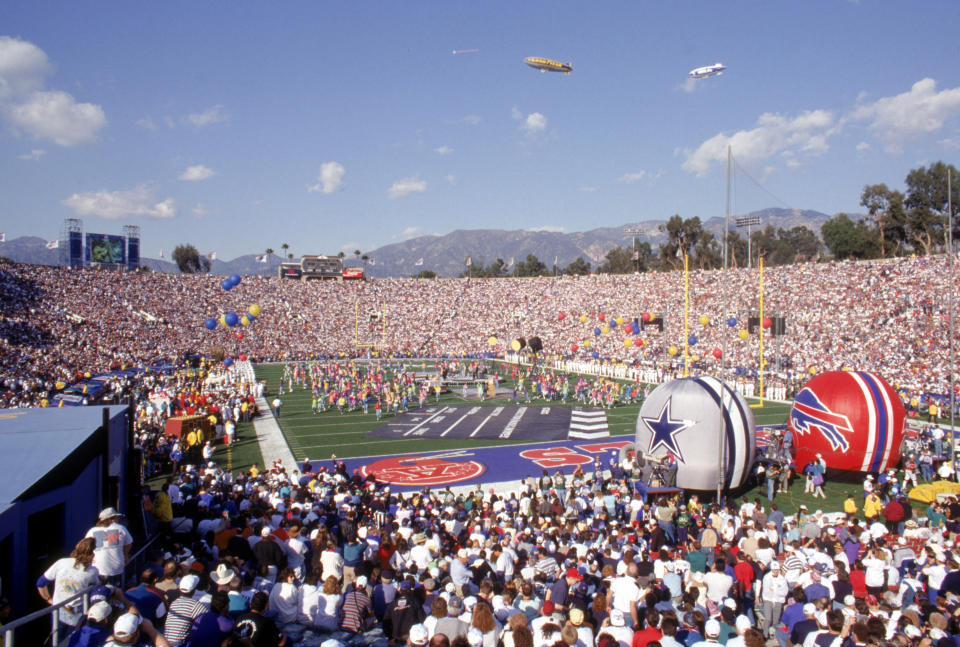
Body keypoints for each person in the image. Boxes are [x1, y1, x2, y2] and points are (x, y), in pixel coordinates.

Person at [36, 538, 102, 643]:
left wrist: (49, 599)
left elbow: (41, 583)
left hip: (58, 609)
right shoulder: (92, 571)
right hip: (77, 613)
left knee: (56, 641)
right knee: (72, 641)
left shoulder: (61, 562)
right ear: (91, 554)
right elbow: (97, 586)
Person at [85, 508, 133, 582]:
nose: (118, 520)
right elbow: (129, 543)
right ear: (111, 519)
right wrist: (125, 555)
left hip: (97, 568)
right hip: (116, 568)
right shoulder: (121, 528)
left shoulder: (92, 531)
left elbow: (86, 547)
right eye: (116, 518)